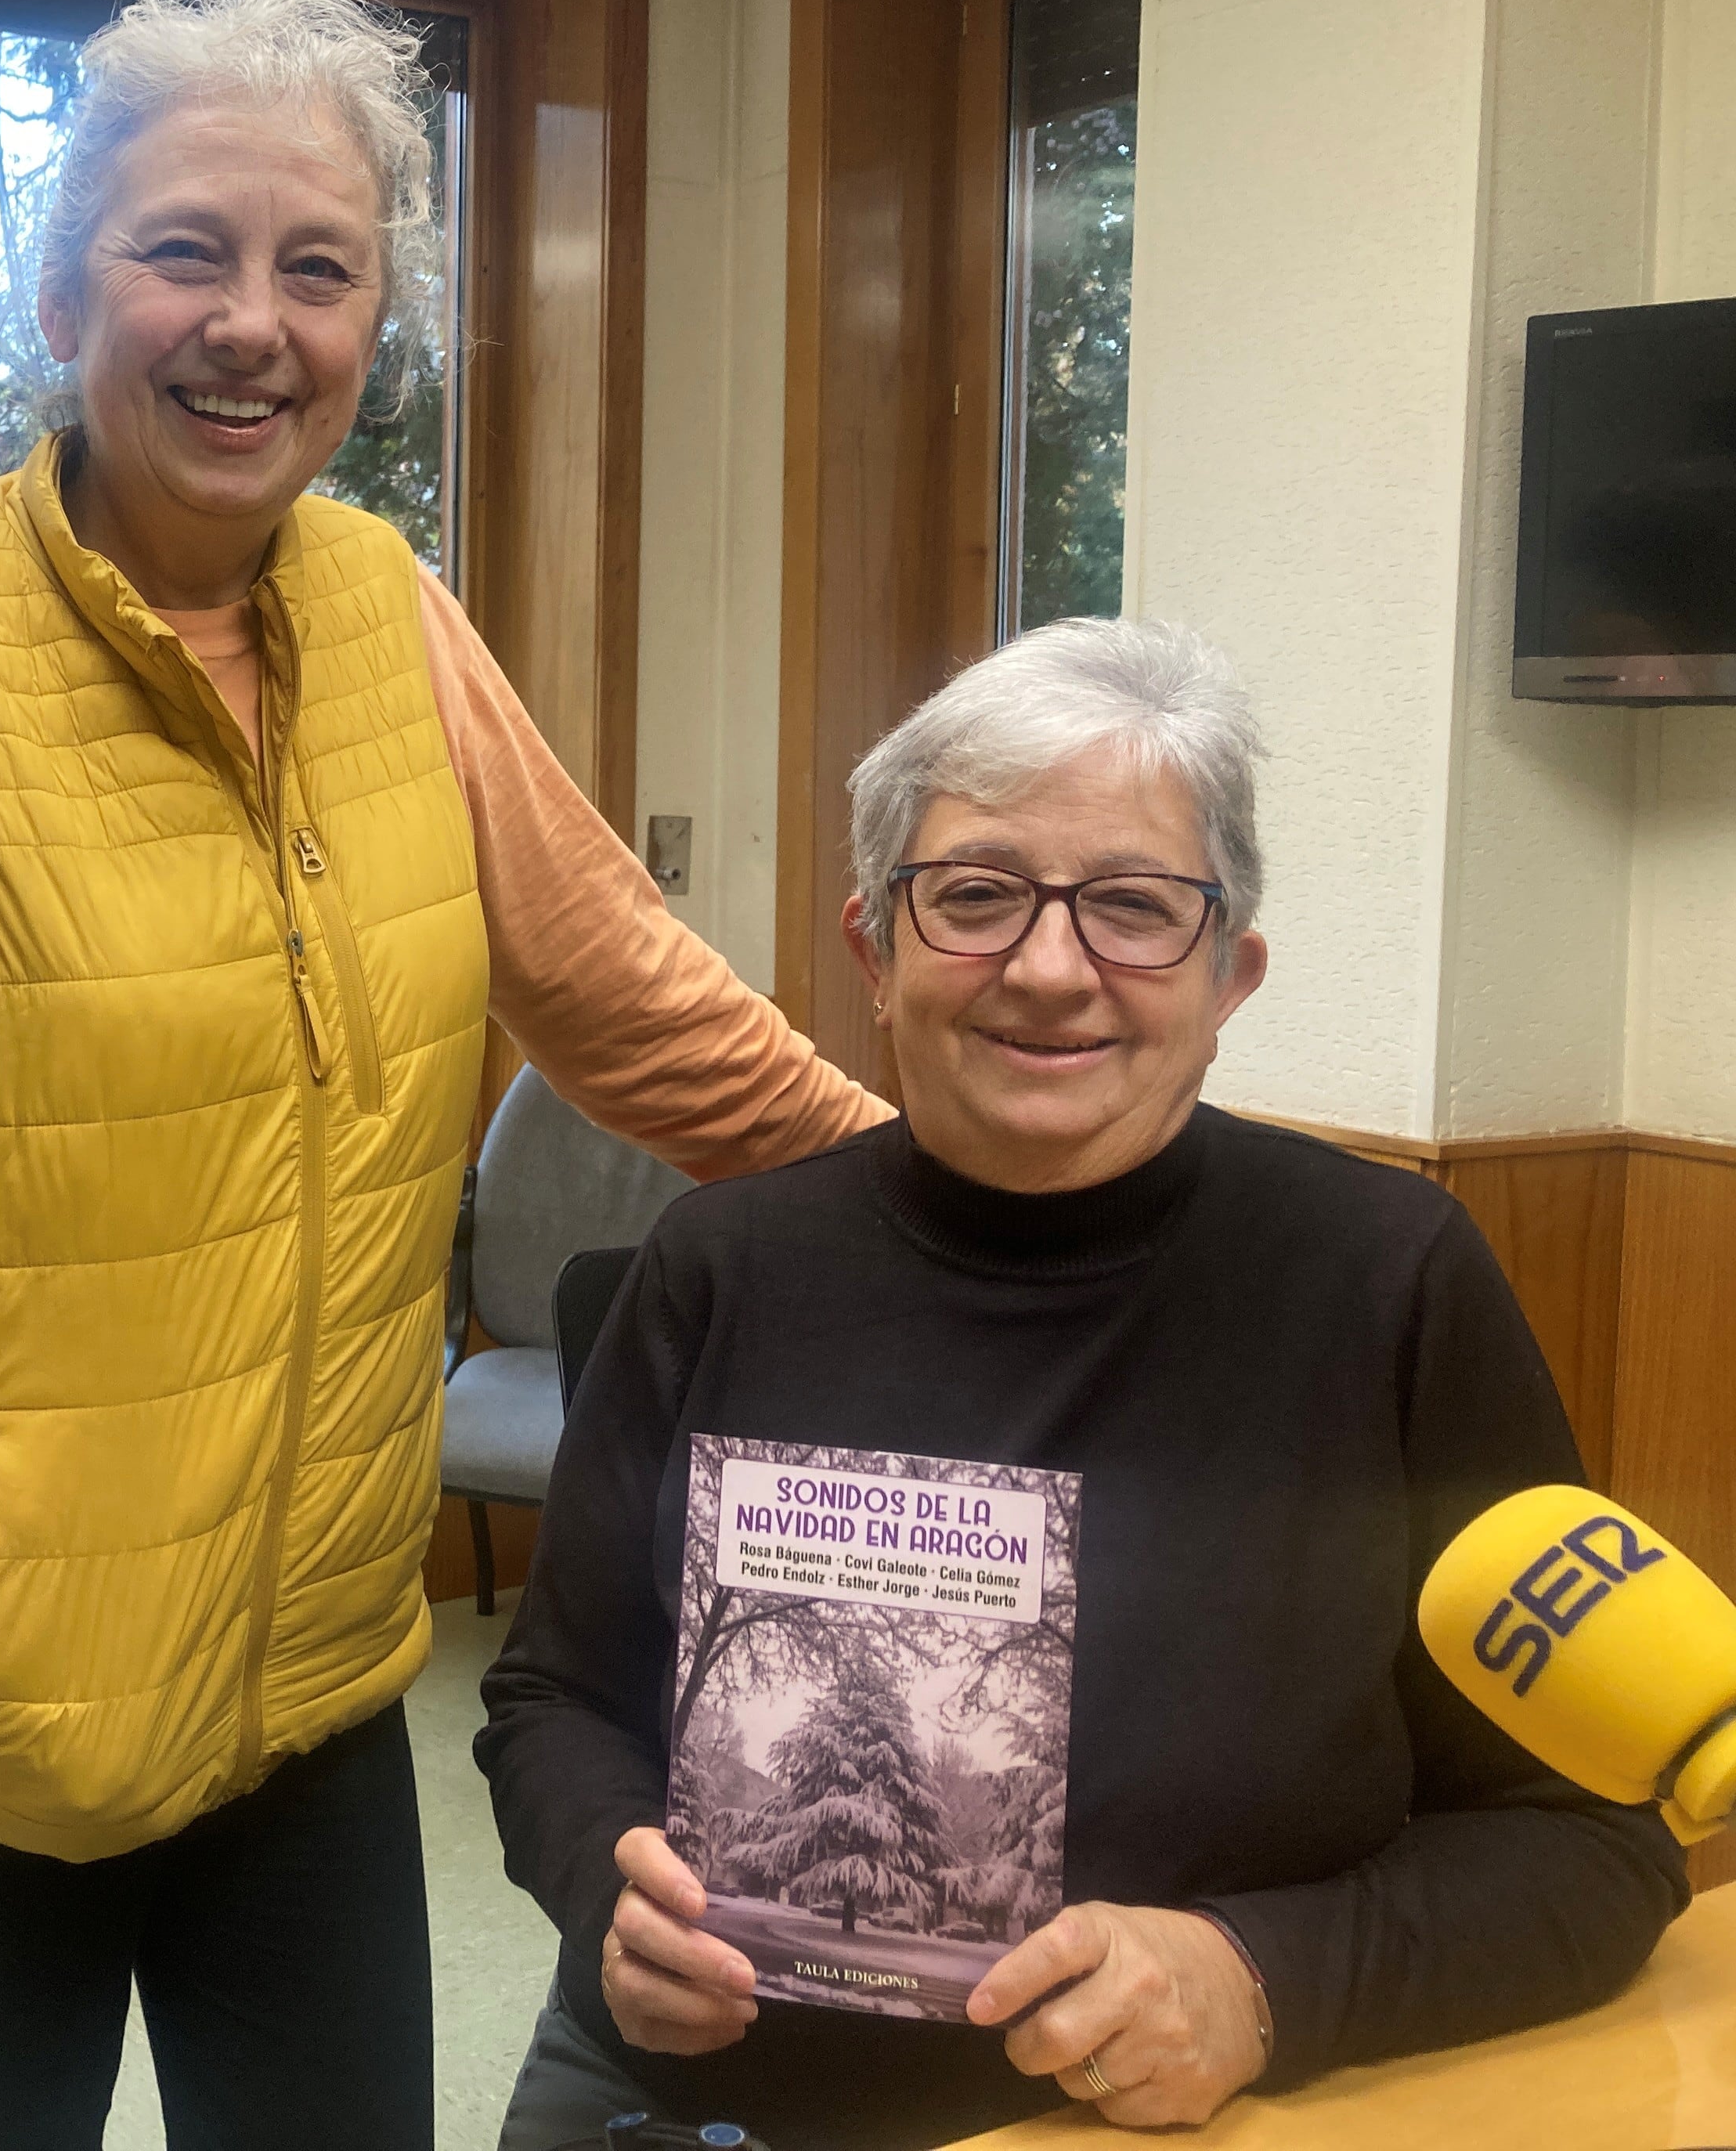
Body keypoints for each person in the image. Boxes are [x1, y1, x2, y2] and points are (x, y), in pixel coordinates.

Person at [0, 0, 886, 2151]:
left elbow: (624, 991)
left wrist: (954, 1192)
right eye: (186, 253)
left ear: (370, 330)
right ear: (65, 296)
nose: (255, 322)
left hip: (308, 1684)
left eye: (320, 270)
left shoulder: (385, 605)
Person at [476, 618, 1692, 2150]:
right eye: (976, 897)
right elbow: (553, 1704)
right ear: (876, 947)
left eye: (1131, 907)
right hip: (702, 2107)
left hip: (1170, 2128)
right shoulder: (720, 1268)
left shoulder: (1393, 1284)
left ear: (1230, 969)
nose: (1051, 971)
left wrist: (1267, 1978)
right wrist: (607, 1891)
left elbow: (1593, 1844)